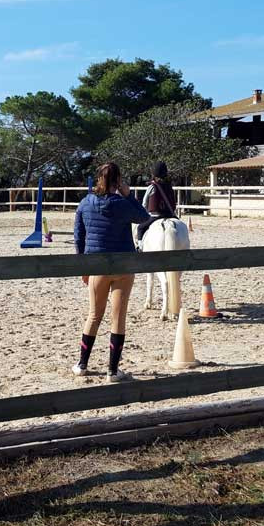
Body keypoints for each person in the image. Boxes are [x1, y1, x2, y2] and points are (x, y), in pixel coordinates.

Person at [73, 162, 150, 382]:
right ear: (118, 180)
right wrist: (129, 195)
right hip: (123, 265)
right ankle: (113, 371)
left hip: (97, 265)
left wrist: (83, 266)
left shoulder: (85, 203)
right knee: (118, 317)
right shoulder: (122, 204)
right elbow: (143, 217)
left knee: (94, 315)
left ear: (98, 178)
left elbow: (79, 237)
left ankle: (82, 364)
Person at [136, 161, 177, 249]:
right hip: (170, 215)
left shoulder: (152, 187)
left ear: (154, 173)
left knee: (140, 228)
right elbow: (173, 202)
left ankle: (140, 247)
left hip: (155, 216)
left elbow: (144, 203)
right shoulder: (169, 186)